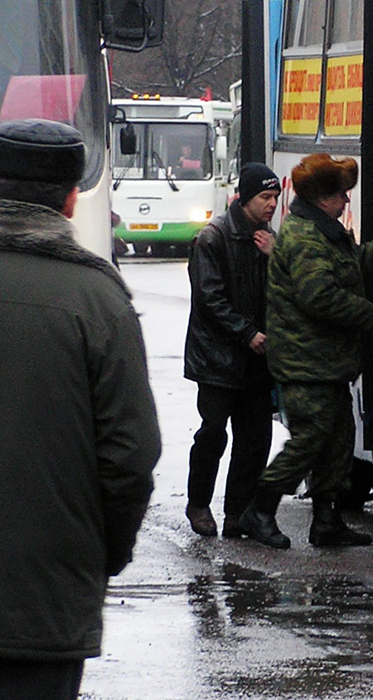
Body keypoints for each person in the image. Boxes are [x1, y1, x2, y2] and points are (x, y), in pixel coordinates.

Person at [0, 118, 161, 699]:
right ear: (71, 200)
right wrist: (100, 556)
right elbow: (131, 456)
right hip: (44, 603)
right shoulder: (96, 298)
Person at [237, 153, 373, 550]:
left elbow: (351, 265)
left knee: (338, 439)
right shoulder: (306, 236)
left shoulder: (321, 230)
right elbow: (317, 294)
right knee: (310, 439)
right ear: (324, 197)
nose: (346, 202)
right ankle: (260, 509)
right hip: (306, 362)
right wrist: (366, 314)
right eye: (342, 195)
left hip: (325, 362)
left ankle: (327, 520)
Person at [182, 162, 280, 539]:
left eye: (275, 197)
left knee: (254, 439)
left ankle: (237, 511)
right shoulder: (213, 238)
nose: (271, 204)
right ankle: (198, 503)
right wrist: (247, 334)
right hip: (218, 359)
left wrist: (277, 256)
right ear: (244, 197)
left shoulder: (267, 238)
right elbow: (210, 298)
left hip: (256, 360)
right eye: (265, 197)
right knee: (213, 434)